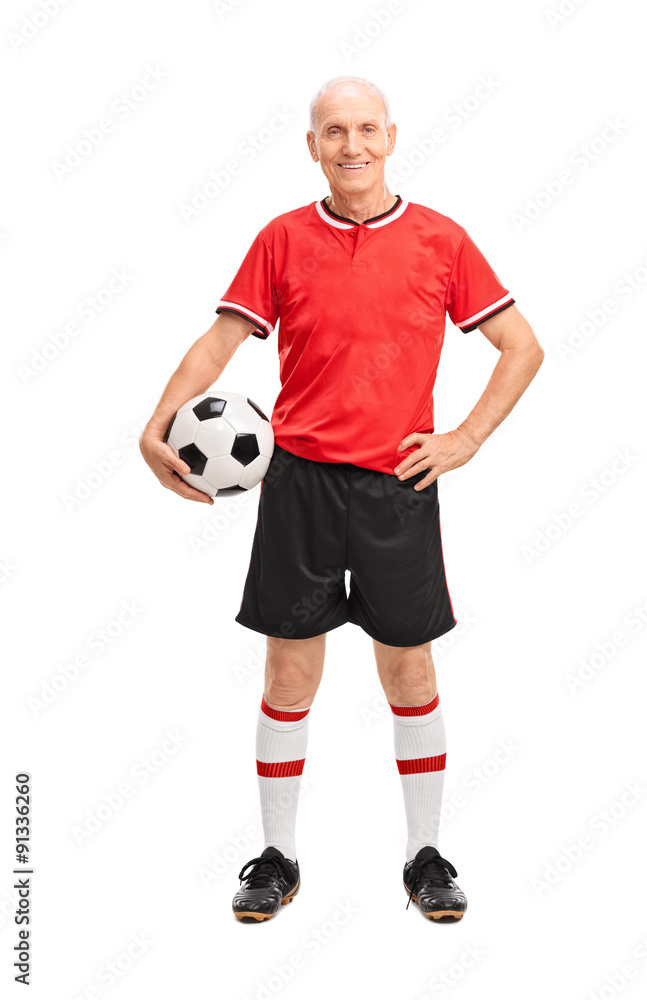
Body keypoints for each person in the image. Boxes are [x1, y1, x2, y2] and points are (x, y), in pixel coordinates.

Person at [139, 74, 544, 923]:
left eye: (365, 129)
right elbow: (219, 344)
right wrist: (156, 425)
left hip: (398, 486)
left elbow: (519, 347)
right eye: (333, 131)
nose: (351, 145)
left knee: (409, 669)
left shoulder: (442, 240)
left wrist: (463, 438)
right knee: (289, 674)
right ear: (312, 146)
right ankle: (277, 857)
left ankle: (424, 855)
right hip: (299, 484)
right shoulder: (282, 239)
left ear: (391, 137)